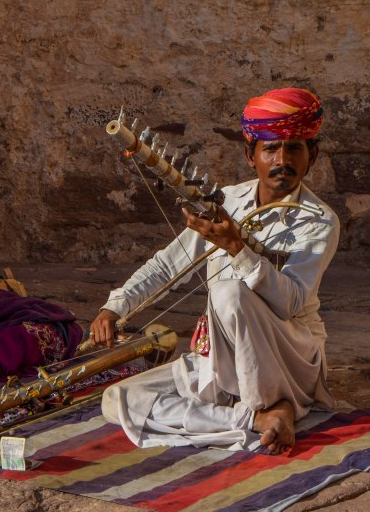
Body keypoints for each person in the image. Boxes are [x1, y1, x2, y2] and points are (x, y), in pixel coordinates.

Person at [90, 88, 339, 454]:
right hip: (220, 354)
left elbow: (291, 303)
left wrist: (237, 248)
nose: (281, 159)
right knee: (117, 399)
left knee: (229, 292)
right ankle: (258, 419)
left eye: (294, 148)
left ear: (311, 156)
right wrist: (116, 306)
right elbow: (168, 264)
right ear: (250, 156)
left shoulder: (319, 222)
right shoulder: (227, 202)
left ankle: (272, 401)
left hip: (289, 357)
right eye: (270, 148)